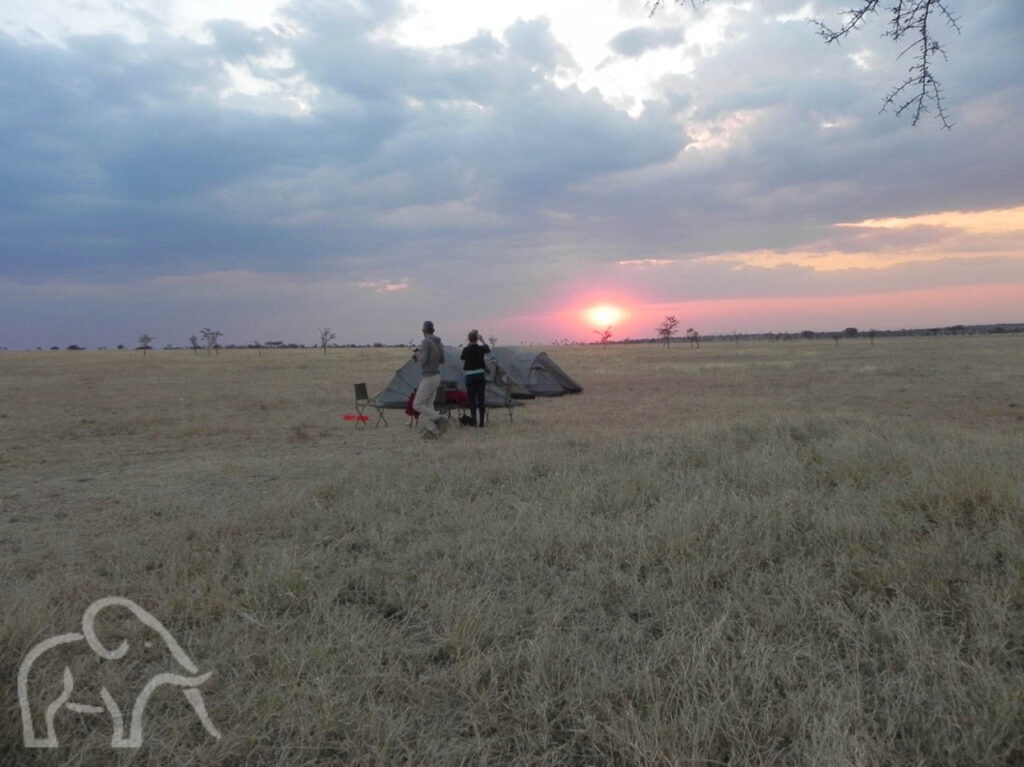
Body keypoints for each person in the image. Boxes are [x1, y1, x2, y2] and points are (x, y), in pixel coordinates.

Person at [412, 321, 445, 438]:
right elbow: (442, 359)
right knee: (428, 404)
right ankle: (434, 430)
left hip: (429, 377)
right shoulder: (439, 342)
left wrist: (417, 354)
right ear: (433, 330)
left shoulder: (426, 341)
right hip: (436, 376)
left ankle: (439, 417)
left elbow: (422, 361)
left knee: (417, 405)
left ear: (423, 331)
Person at [460, 329, 491, 427]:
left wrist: (469, 343)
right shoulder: (481, 348)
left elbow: (462, 357)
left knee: (472, 400)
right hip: (480, 376)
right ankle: (482, 422)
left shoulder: (466, 350)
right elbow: (488, 349)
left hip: (469, 377)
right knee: (481, 399)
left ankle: (474, 421)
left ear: (469, 339)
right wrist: (482, 340)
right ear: (477, 339)